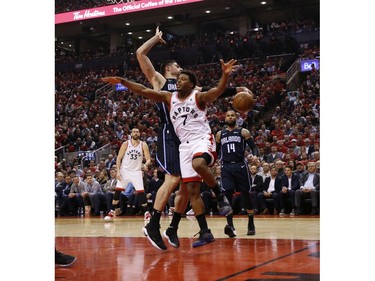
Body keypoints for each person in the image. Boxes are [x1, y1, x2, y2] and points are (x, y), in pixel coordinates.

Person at [101, 57, 237, 248]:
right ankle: (202, 231)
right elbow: (142, 89)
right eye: (178, 77)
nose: (178, 81)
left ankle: (219, 195)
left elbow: (218, 91)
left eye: (182, 79)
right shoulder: (168, 97)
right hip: (183, 146)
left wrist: (225, 75)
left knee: (196, 166)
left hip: (202, 140)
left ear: (192, 85)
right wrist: (122, 81)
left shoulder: (198, 96)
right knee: (189, 189)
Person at [134, 27, 236, 250]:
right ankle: (152, 223)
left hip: (187, 138)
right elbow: (140, 54)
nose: (181, 72)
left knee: (185, 188)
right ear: (170, 69)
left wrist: (238, 91)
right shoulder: (161, 81)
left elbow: (211, 91)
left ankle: (172, 228)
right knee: (172, 179)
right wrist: (155, 39)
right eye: (178, 68)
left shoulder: (189, 89)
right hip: (169, 134)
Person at [215, 110, 259, 237]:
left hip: (240, 165)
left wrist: (255, 156)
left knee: (246, 195)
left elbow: (254, 147)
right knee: (227, 195)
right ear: (225, 118)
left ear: (236, 117)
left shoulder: (243, 132)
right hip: (226, 167)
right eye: (228, 115)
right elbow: (216, 152)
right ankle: (230, 226)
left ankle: (251, 223)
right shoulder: (219, 134)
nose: (230, 117)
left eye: (232, 115)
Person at [104, 127, 151, 221]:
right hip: (125, 170)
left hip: (136, 171)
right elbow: (118, 158)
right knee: (117, 191)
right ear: (131, 134)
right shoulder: (126, 144)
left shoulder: (143, 145)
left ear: (139, 133)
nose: (136, 133)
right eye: (134, 132)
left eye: (137, 132)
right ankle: (112, 211)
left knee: (141, 192)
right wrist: (118, 171)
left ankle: (147, 213)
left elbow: (148, 159)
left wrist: (145, 165)